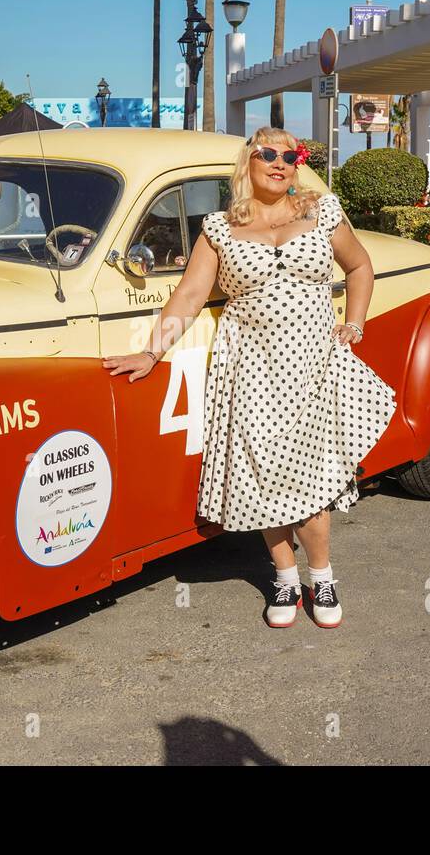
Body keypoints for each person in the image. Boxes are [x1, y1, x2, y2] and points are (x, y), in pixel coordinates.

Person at [102, 127, 396, 628]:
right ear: (249, 162)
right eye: (268, 153)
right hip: (252, 368)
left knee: (313, 475)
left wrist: (355, 322)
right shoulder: (219, 227)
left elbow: (360, 265)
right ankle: (285, 577)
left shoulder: (321, 210)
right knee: (265, 477)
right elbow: (190, 295)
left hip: (313, 363)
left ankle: (321, 575)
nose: (279, 162)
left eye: (290, 154)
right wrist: (153, 351)